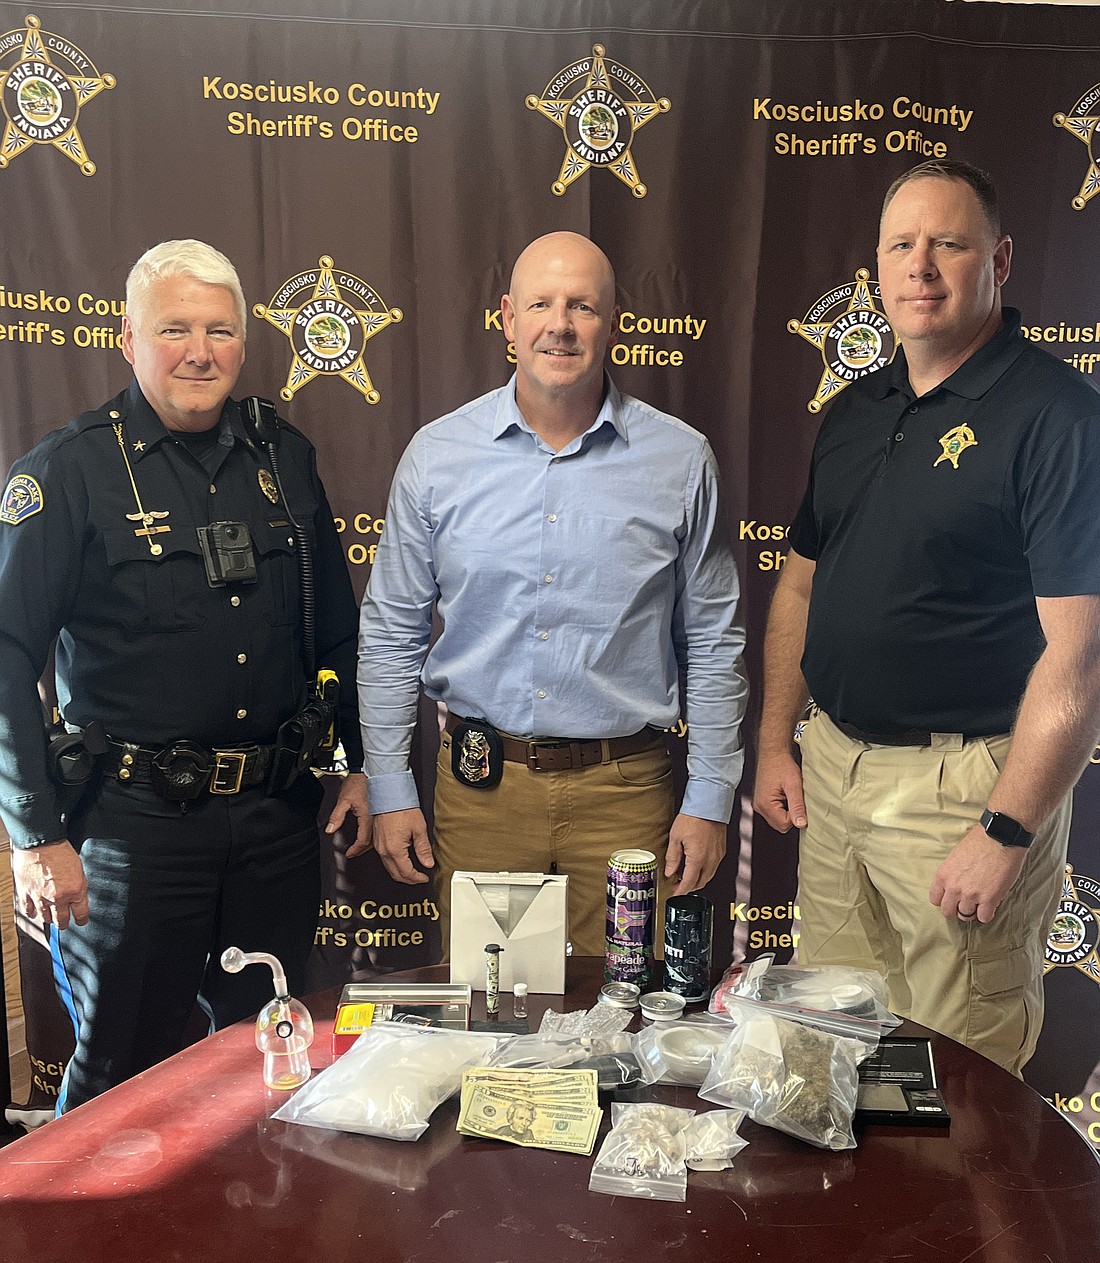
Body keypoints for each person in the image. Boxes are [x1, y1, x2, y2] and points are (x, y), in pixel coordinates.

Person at [0, 239, 371, 1111]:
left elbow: (335, 630)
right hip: (132, 835)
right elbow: (8, 655)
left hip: (277, 822)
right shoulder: (68, 471)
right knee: (117, 1077)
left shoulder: (286, 460)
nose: (199, 350)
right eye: (174, 329)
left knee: (269, 1060)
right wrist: (33, 836)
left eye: (220, 330)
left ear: (244, 344)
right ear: (127, 340)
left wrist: (350, 761)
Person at [753, 160, 1100, 1074]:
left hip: (962, 793)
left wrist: (1005, 830)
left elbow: (1081, 657)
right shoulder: (855, 411)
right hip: (834, 775)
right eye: (902, 246)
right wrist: (776, 741)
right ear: (876, 269)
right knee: (825, 1055)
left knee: (960, 1081)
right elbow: (798, 587)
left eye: (948, 242)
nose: (922, 266)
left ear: (1002, 259)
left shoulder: (1058, 417)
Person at [358, 231, 747, 957]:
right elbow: (389, 633)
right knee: (489, 1022)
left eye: (582, 306)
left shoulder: (681, 459)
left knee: (626, 1027)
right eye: (541, 303)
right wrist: (390, 785)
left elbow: (715, 642)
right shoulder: (437, 457)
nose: (559, 324)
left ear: (615, 323)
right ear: (508, 318)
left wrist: (710, 796)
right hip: (481, 793)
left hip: (627, 797)